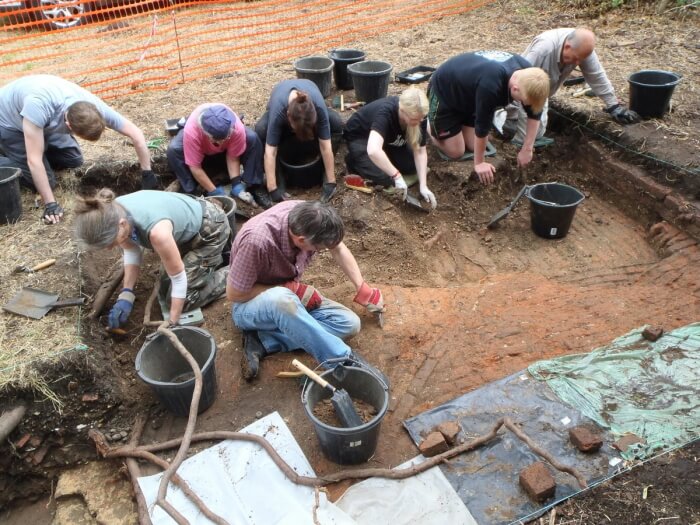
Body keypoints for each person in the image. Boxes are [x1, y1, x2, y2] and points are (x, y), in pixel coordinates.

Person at [225, 200, 385, 381]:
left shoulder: (308, 214)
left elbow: (338, 247)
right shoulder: (256, 242)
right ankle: (342, 361)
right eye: (320, 248)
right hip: (249, 307)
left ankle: (264, 341)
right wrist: (290, 288)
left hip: (286, 299)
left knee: (349, 324)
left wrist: (362, 287)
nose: (322, 251)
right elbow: (234, 295)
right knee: (282, 298)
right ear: (300, 240)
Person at [0, 75, 156, 225]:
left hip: (42, 123)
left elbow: (136, 134)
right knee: (47, 181)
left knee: (74, 160)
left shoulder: (91, 107)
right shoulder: (38, 106)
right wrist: (50, 204)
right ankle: (6, 157)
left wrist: (147, 173)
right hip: (10, 122)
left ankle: (40, 144)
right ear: (69, 127)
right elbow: (34, 161)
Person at [73, 189, 230, 328]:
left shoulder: (157, 233)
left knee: (185, 299)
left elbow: (179, 280)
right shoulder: (113, 211)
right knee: (164, 286)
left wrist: (173, 322)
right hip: (187, 229)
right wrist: (126, 293)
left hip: (210, 230)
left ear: (121, 225)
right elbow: (131, 250)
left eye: (110, 243)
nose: (109, 248)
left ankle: (234, 273)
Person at [427, 50, 549, 184]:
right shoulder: (491, 86)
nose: (524, 104)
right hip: (445, 94)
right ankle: (428, 125)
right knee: (456, 152)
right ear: (515, 89)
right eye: (523, 101)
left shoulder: (529, 75)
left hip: (469, 98)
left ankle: (456, 127)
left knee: (474, 146)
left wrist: (527, 149)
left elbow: (534, 112)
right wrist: (479, 163)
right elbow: (482, 126)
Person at [506, 28, 640, 147]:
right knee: (522, 136)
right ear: (567, 47)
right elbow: (520, 81)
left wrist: (613, 106)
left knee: (537, 133)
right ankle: (501, 117)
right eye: (576, 59)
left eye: (580, 60)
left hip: (543, 92)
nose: (578, 64)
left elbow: (596, 76)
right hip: (523, 91)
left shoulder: (582, 51)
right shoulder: (543, 50)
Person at [343, 86, 437, 209]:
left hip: (387, 140)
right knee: (384, 179)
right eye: (415, 120)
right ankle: (354, 160)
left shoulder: (419, 116)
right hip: (361, 138)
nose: (420, 122)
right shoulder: (385, 113)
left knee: (412, 166)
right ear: (403, 111)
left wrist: (423, 186)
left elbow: (420, 152)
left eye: (421, 119)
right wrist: (396, 176)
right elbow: (373, 150)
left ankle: (384, 158)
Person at [167, 103, 273, 209]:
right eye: (218, 140)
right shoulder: (193, 132)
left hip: (224, 143)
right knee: (174, 149)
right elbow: (195, 167)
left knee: (252, 138)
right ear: (207, 134)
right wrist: (214, 191)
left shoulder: (235, 127)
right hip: (199, 143)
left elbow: (233, 157)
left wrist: (236, 185)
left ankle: (254, 186)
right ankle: (192, 193)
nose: (222, 143)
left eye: (226, 138)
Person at [255, 79, 343, 204]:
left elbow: (325, 145)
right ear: (288, 115)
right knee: (261, 129)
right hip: (280, 115)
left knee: (335, 121)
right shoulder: (279, 112)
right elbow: (270, 152)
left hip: (309, 115)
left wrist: (331, 182)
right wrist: (272, 188)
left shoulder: (318, 108)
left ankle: (324, 174)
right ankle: (280, 180)